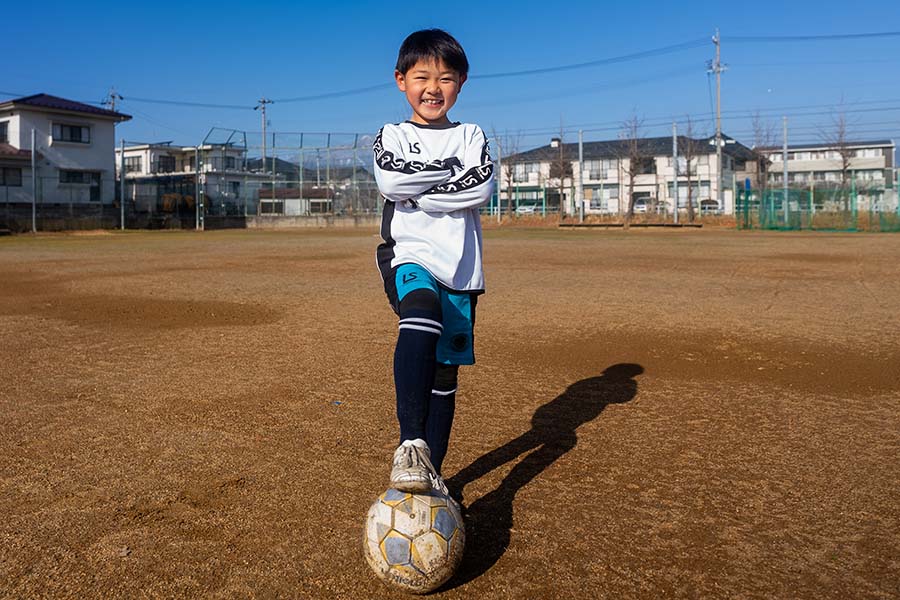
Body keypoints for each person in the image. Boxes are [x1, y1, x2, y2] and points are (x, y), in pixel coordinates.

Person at [373, 29, 494, 497]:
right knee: (419, 315)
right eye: (421, 77)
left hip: (462, 268)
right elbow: (391, 184)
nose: (433, 88)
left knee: (446, 371)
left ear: (461, 81)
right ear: (401, 80)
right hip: (407, 253)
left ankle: (431, 475)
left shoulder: (471, 135)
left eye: (445, 78)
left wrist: (421, 187)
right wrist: (448, 175)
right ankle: (409, 443)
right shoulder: (392, 135)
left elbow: (479, 189)